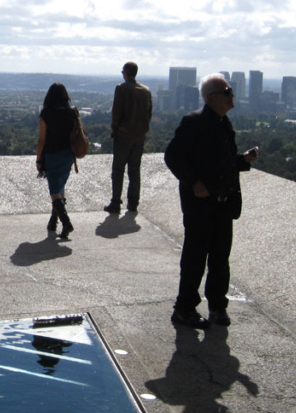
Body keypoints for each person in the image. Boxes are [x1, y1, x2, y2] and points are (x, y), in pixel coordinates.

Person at [164, 74, 257, 329]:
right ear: (211, 98)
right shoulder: (194, 122)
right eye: (228, 91)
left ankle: (217, 306)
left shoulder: (223, 122)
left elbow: (220, 161)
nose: (232, 95)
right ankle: (184, 308)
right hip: (200, 206)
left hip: (224, 204)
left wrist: (242, 161)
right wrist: (194, 183)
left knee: (220, 258)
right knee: (195, 257)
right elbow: (172, 156)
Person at [104, 62, 153, 214]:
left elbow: (116, 112)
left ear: (125, 73)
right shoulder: (146, 91)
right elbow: (149, 113)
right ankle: (133, 203)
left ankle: (116, 202)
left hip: (123, 135)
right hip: (139, 136)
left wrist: (115, 129)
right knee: (134, 170)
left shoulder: (121, 88)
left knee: (118, 170)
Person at [36, 82, 78, 239]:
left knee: (54, 191)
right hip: (68, 154)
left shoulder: (46, 114)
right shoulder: (72, 113)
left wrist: (39, 158)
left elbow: (42, 139)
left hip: (52, 154)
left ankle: (66, 223)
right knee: (60, 188)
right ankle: (53, 223)